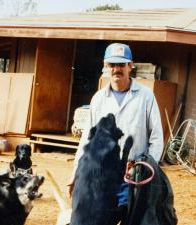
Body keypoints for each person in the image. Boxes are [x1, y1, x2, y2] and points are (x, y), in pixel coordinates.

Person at [68, 42, 164, 222]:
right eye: (112, 65)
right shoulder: (98, 99)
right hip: (103, 177)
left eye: (121, 64)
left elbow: (157, 137)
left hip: (134, 176)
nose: (116, 69)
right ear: (105, 66)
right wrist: (76, 173)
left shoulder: (145, 96)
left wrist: (149, 169)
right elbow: (85, 141)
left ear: (130, 65)